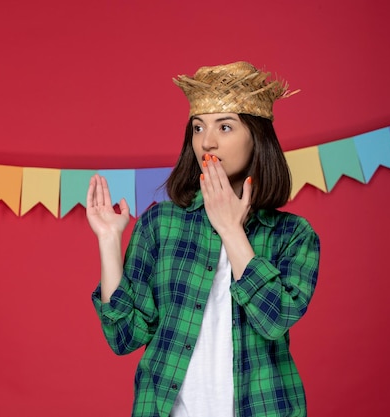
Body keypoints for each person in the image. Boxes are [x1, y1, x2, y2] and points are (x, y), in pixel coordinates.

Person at [86, 61, 320, 417]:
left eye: (225, 127)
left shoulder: (293, 236)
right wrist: (108, 240)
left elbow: (273, 320)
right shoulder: (161, 224)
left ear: (257, 138)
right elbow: (124, 338)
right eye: (198, 128)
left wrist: (230, 229)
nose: (206, 141)